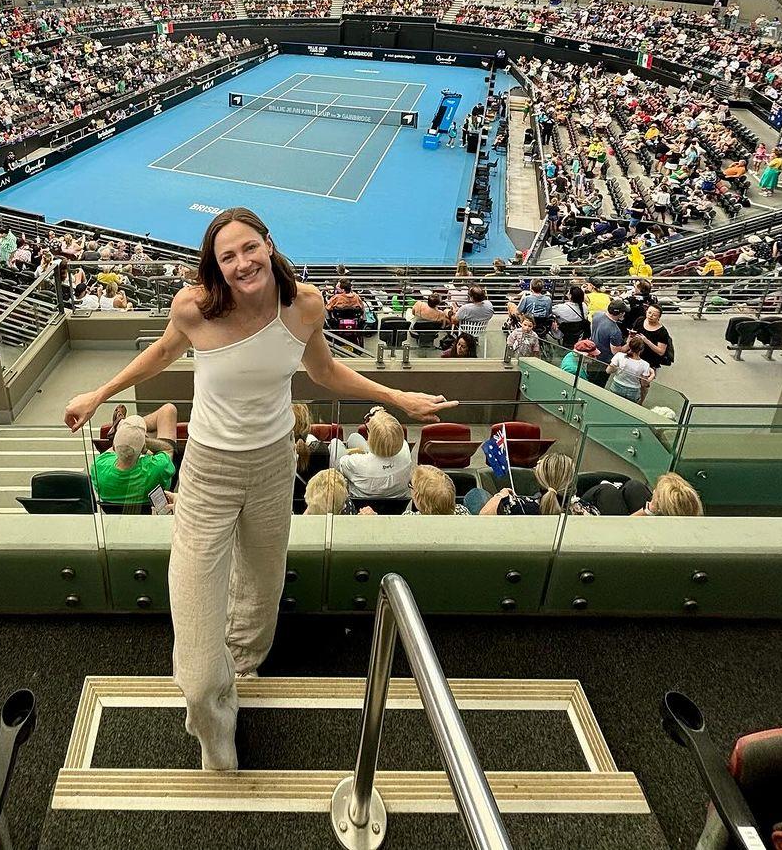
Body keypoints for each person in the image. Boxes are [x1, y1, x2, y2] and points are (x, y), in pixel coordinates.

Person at [62, 206, 457, 772]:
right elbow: (162, 353)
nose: (242, 263)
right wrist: (99, 393)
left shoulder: (305, 305)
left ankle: (243, 670)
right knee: (197, 647)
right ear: (216, 266)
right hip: (207, 470)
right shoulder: (194, 307)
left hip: (275, 464)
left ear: (269, 245)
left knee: (263, 581)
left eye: (250, 248)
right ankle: (209, 703)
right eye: (227, 256)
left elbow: (324, 373)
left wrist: (398, 398)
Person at [331, 407, 413, 501]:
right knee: (354, 437)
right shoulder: (405, 448)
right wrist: (378, 417)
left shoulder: (356, 463)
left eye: (368, 431)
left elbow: (341, 462)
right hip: (397, 503)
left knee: (335, 443)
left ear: (372, 439)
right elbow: (390, 432)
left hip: (362, 505)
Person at [478, 452, 597, 516]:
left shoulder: (514, 505)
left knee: (476, 494)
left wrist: (500, 496)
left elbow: (482, 518)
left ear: (540, 480)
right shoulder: (588, 511)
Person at [605, 334, 655, 402]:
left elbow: (608, 370)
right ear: (641, 350)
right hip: (633, 391)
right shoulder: (645, 365)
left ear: (630, 346)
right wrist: (652, 375)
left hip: (617, 385)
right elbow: (644, 384)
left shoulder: (619, 356)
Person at [637, 303, 673, 374]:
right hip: (636, 357)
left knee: (644, 382)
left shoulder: (662, 332)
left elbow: (661, 352)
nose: (650, 316)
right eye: (649, 312)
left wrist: (647, 341)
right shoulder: (640, 320)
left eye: (654, 315)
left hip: (650, 361)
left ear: (659, 317)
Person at [551, 284, 589, 348]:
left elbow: (551, 310)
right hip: (578, 333)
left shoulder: (562, 308)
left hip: (564, 333)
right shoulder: (585, 306)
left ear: (570, 296)